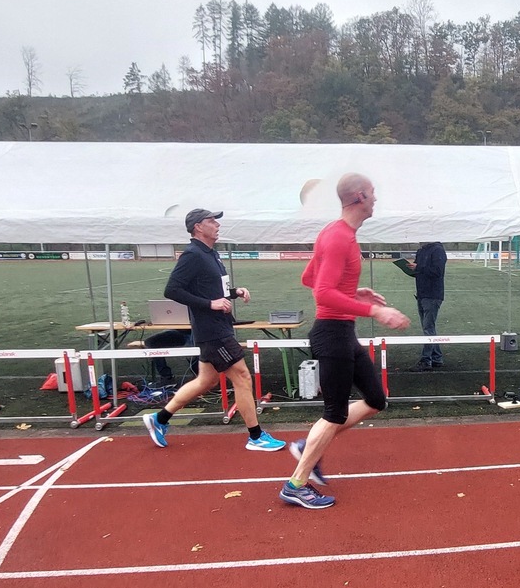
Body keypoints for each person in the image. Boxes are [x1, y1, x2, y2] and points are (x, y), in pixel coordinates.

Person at [280, 174, 411, 509]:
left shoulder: (337, 234)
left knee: (376, 400)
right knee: (334, 413)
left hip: (342, 333)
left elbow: (308, 277)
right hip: (332, 333)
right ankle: (296, 483)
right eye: (374, 193)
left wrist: (354, 292)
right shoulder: (338, 237)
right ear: (359, 196)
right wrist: (375, 311)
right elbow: (322, 291)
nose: (376, 199)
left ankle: (308, 444)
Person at [141, 209, 286, 452]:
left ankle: (160, 419)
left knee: (205, 380)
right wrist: (210, 304)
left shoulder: (211, 254)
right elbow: (172, 290)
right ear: (198, 227)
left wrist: (234, 293)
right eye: (211, 221)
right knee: (242, 376)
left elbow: (212, 291)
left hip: (219, 326)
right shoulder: (192, 255)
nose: (217, 224)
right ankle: (256, 436)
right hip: (212, 330)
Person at [396, 241, 447, 369]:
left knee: (428, 328)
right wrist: (410, 268)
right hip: (422, 293)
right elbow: (419, 271)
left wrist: (418, 268)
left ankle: (426, 360)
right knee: (429, 327)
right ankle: (436, 357)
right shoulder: (421, 251)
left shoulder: (437, 250)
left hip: (432, 294)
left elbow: (437, 271)